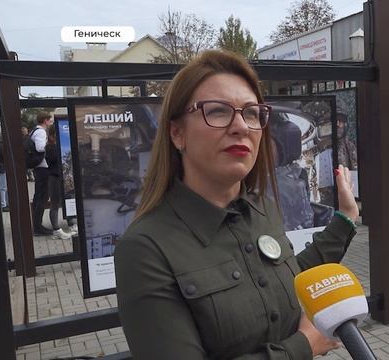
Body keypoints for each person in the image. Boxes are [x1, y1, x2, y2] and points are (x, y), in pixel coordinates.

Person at [114, 50, 359, 360]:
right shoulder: (145, 249)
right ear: (177, 133)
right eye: (217, 111)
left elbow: (289, 277)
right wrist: (302, 346)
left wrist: (346, 218)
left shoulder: (262, 208)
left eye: (252, 112)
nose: (241, 126)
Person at [45, 126, 72, 240]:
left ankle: (71, 223)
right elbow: (57, 159)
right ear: (51, 136)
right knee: (55, 204)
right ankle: (56, 230)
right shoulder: (51, 147)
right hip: (54, 178)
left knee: (67, 200)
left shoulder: (56, 146)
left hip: (61, 177)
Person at [31, 112, 54, 235]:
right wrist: (50, 147)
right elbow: (40, 148)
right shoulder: (41, 131)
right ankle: (38, 227)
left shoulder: (34, 131)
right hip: (42, 168)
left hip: (38, 168)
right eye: (50, 120)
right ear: (45, 120)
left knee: (38, 197)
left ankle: (37, 225)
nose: (50, 123)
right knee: (42, 197)